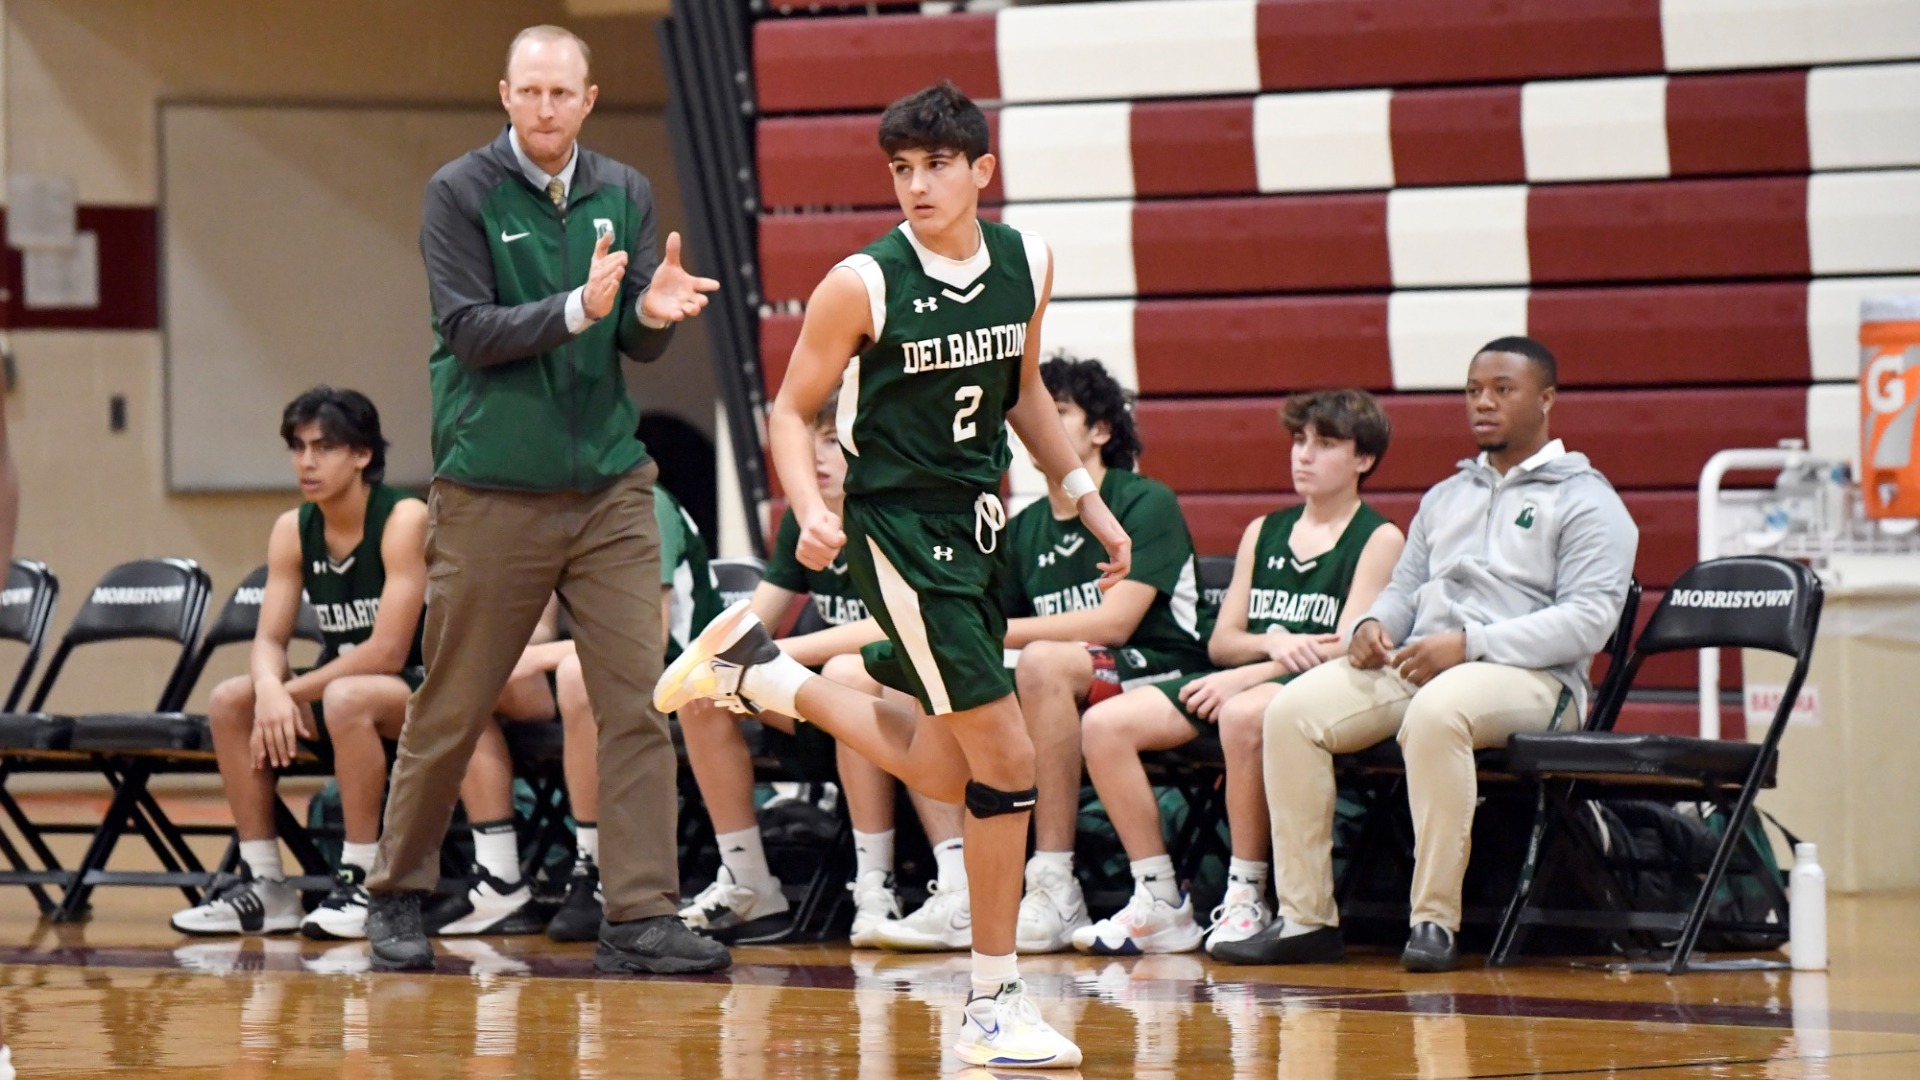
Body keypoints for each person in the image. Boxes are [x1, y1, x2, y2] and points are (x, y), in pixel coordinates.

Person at [658, 81, 1127, 1069]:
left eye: (936, 167)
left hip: (981, 525)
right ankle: (994, 1000)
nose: (916, 185)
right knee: (1006, 763)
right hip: (896, 533)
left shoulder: (1024, 261)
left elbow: (1023, 392)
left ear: (980, 172)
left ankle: (771, 679)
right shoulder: (861, 283)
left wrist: (1084, 496)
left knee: (954, 768)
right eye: (901, 170)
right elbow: (790, 412)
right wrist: (814, 507)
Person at [366, 24, 726, 976]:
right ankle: (398, 894)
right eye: (529, 93)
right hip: (493, 489)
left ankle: (640, 911)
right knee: (452, 699)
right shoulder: (460, 192)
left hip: (609, 487)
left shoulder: (626, 191)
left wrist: (648, 315)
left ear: (589, 100)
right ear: (505, 95)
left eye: (562, 94)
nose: (545, 109)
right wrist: (581, 308)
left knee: (637, 703)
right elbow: (470, 327)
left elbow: (636, 339)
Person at [1214, 336, 1638, 973]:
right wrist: (1370, 624)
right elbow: (1405, 587)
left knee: (1439, 712)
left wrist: (1473, 644)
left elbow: (1589, 622)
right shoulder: (1447, 495)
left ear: (1547, 400)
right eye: (1473, 391)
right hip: (1427, 662)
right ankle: (1306, 919)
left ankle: (1434, 920)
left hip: (1535, 681)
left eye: (1503, 389)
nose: (1484, 403)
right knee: (1290, 710)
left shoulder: (1588, 500)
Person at [1074, 389, 1403, 956]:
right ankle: (1157, 899)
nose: (1303, 455)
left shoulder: (1380, 536)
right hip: (1240, 678)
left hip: (1309, 693)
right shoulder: (1263, 530)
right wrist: (1270, 646)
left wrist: (1253, 672)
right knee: (1106, 726)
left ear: (1363, 460)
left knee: (1244, 715)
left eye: (1324, 444)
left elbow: (1351, 645)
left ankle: (1248, 894)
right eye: (1299, 441)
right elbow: (1223, 643)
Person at [676, 392, 937, 946]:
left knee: (849, 670)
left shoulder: (896, 515)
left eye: (833, 440)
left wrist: (781, 656)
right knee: (704, 686)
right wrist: (714, 649)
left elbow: (895, 628)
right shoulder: (806, 521)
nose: (819, 456)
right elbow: (761, 618)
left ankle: (875, 884)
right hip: (821, 703)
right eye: (813, 439)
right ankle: (748, 881)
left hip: (901, 706)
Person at [170, 388, 427, 940]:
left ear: (362, 455)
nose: (306, 462)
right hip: (343, 691)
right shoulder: (293, 527)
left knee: (343, 696)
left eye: (324, 447)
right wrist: (268, 688)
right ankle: (267, 886)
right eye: (298, 447)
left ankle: (362, 879)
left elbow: (388, 651)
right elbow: (269, 639)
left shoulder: (404, 517)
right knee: (231, 700)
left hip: (418, 688)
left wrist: (289, 692)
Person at [996, 353, 1213, 954]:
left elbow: (1117, 625)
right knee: (961, 682)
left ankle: (1056, 877)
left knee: (1041, 659)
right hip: (1078, 681)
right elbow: (1004, 628)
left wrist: (999, 632)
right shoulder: (1024, 528)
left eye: (1057, 411)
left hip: (1169, 669)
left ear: (1101, 430)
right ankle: (960, 886)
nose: (1036, 424)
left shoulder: (1145, 501)